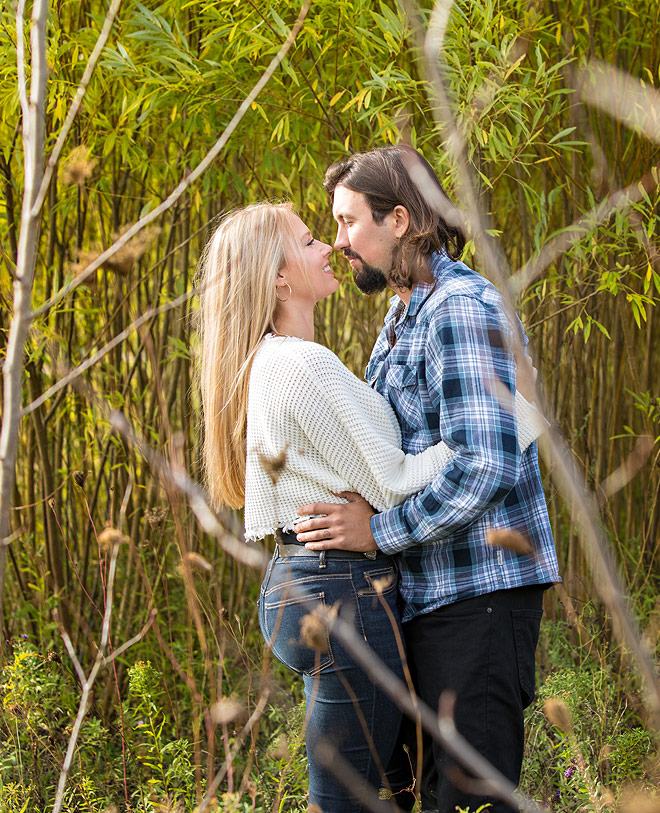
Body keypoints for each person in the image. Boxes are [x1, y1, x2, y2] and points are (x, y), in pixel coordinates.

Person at [193, 201, 545, 812]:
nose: (328, 246)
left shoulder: (278, 360)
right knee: (350, 800)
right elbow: (394, 481)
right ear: (278, 277)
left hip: (305, 581)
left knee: (386, 791)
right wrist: (511, 423)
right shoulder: (302, 364)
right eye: (309, 241)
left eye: (333, 228)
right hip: (342, 590)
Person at [291, 145, 562, 811]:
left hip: (478, 600)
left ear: (401, 220)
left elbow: (487, 464)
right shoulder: (402, 314)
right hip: (428, 600)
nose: (338, 241)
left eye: (349, 221)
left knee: (467, 802)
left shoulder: (460, 307)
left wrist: (377, 532)